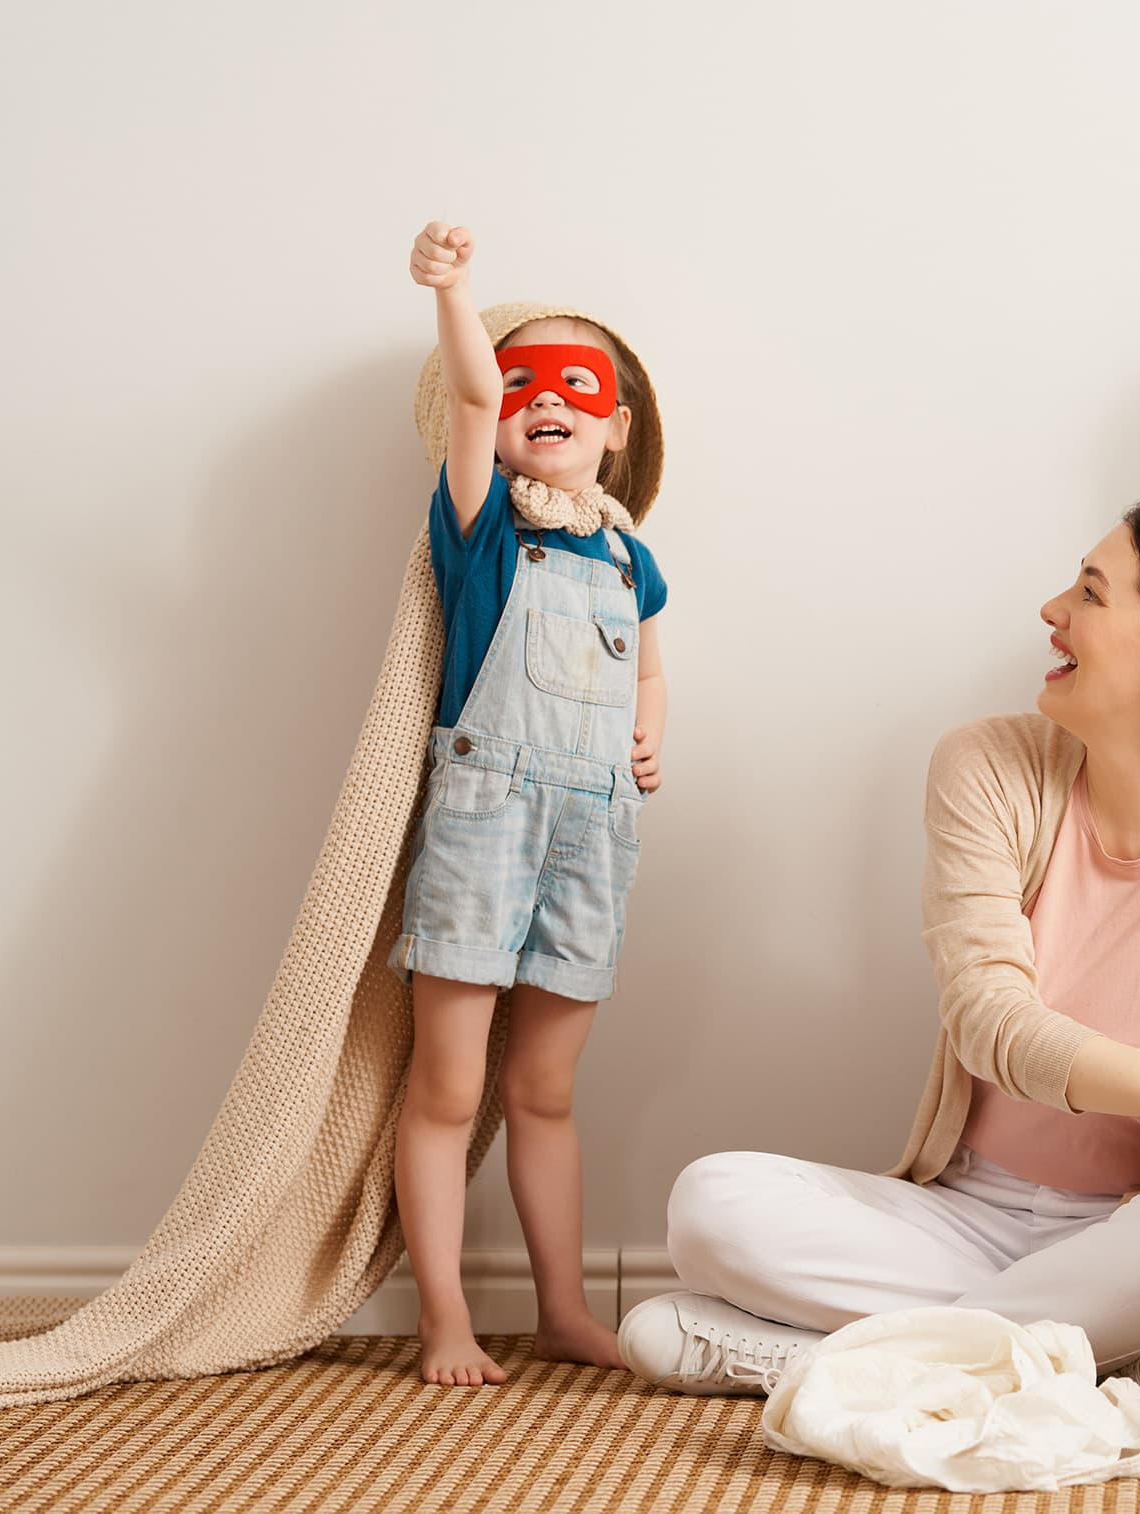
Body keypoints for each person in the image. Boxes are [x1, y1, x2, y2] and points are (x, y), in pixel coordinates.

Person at [624, 495, 1140, 1418]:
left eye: (1091, 593)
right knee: (711, 1201)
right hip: (965, 1217)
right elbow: (989, 1020)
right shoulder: (988, 768)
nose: (1052, 610)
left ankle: (835, 1365)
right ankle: (1106, 1362)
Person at [393, 222, 671, 1385]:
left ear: (613, 428)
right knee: (449, 1081)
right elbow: (466, 392)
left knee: (544, 1088)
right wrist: (457, 299)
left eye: (574, 388)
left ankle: (561, 1305)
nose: (541, 400)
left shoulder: (627, 556)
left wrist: (653, 721)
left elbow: (647, 659)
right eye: (523, 385)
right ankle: (445, 1315)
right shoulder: (484, 529)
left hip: (592, 831)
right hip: (486, 816)